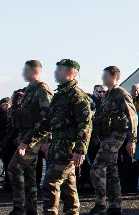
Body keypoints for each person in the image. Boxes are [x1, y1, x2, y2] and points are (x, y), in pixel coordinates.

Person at [17, 59, 93, 215]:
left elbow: (85, 125)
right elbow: (46, 123)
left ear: (70, 72)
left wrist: (80, 150)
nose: (55, 73)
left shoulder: (77, 96)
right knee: (68, 186)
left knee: (50, 183)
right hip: (57, 147)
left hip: (68, 149)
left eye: (59, 69)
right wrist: (27, 142)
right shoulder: (59, 95)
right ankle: (72, 212)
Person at [89, 66, 137, 215]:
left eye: (105, 75)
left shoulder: (120, 94)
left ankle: (100, 204)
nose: (103, 78)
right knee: (111, 171)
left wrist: (132, 140)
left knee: (97, 168)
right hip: (106, 137)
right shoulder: (108, 95)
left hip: (115, 137)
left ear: (113, 77)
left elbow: (132, 116)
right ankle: (115, 205)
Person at [8, 60, 53, 215]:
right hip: (25, 136)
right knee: (29, 174)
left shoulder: (42, 89)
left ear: (35, 72)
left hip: (33, 138)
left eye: (26, 70)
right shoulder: (29, 90)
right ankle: (30, 209)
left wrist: (46, 140)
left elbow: (48, 117)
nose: (23, 73)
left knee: (14, 168)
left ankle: (19, 207)